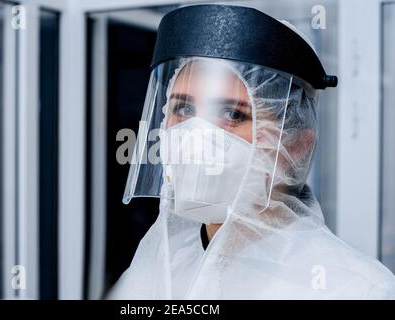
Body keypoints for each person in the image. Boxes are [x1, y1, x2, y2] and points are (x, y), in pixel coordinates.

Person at [109, 4, 395, 299]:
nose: (194, 135)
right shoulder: (153, 269)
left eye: (232, 114)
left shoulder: (354, 289)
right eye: (183, 108)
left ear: (295, 147)